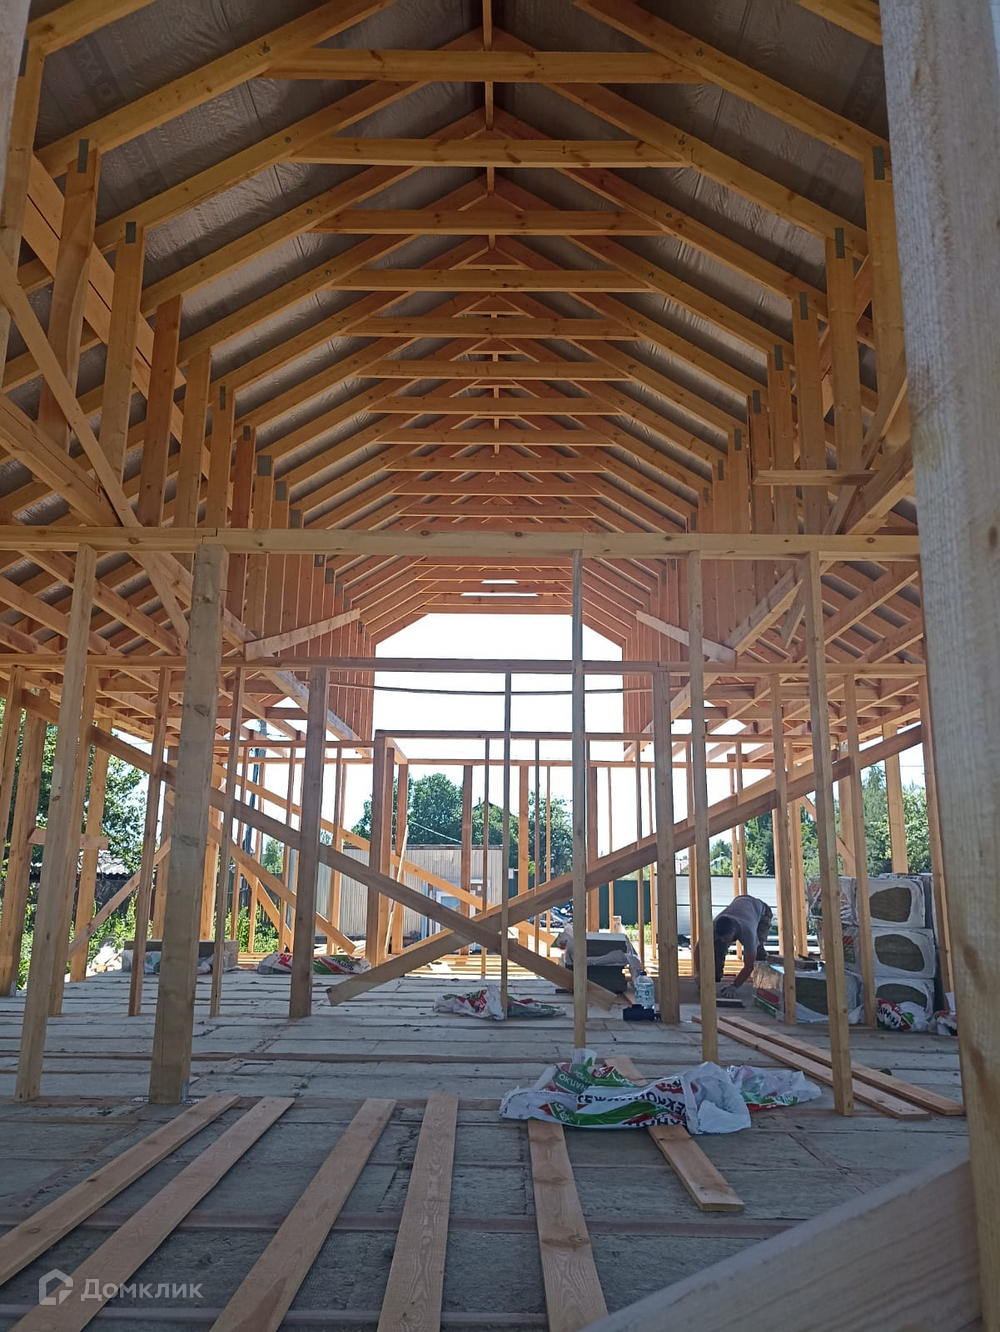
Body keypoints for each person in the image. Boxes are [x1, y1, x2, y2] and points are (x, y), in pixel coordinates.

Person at [693, 896, 773, 998]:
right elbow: (698, 948)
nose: (723, 940)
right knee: (718, 948)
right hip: (741, 903)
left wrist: (734, 985)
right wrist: (699, 973)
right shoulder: (714, 927)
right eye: (720, 937)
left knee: (758, 955)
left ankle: (766, 988)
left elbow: (749, 966)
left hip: (762, 912)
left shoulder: (748, 934)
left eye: (725, 938)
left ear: (733, 931)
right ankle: (714, 982)